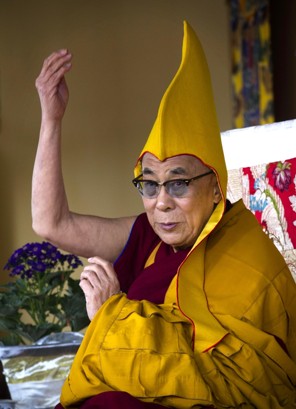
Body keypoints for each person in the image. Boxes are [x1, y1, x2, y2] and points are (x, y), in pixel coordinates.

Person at [33, 21, 296, 409]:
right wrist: (51, 119)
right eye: (149, 185)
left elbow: (244, 388)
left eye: (178, 184)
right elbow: (50, 225)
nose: (161, 203)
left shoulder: (249, 262)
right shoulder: (152, 237)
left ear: (216, 187)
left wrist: (113, 314)